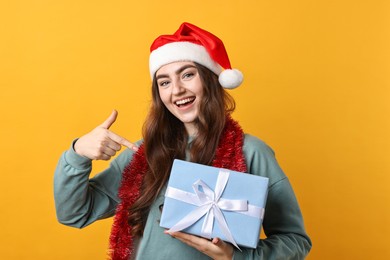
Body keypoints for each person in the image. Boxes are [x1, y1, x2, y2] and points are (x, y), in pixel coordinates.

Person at [54, 22, 312, 260]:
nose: (176, 89)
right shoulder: (143, 154)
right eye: (164, 82)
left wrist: (236, 257)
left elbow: (295, 240)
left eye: (187, 75)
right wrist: (77, 155)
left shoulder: (251, 152)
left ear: (210, 80)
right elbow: (75, 213)